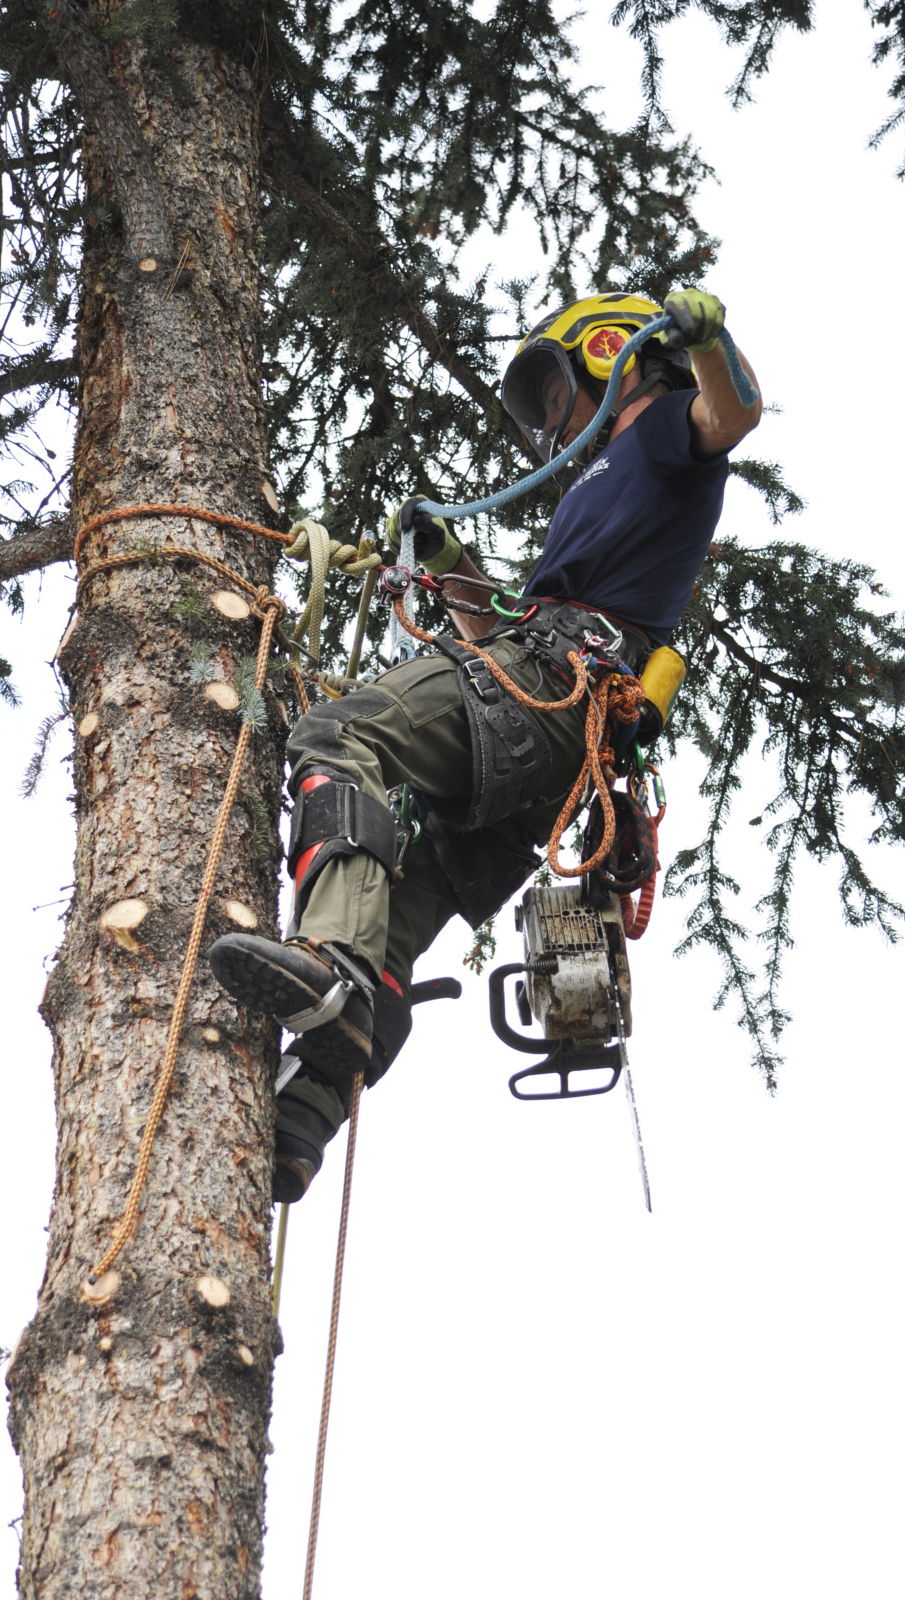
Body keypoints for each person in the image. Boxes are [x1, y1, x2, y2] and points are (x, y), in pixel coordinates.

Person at [208, 288, 762, 1202]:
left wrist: (710, 342)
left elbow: (731, 411)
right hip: (554, 737)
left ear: (610, 352)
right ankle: (304, 1116)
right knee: (398, 917)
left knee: (341, 735)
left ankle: (330, 963)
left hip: (553, 683)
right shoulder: (599, 486)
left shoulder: (662, 429)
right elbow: (499, 623)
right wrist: (450, 562)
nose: (553, 420)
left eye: (556, 394)